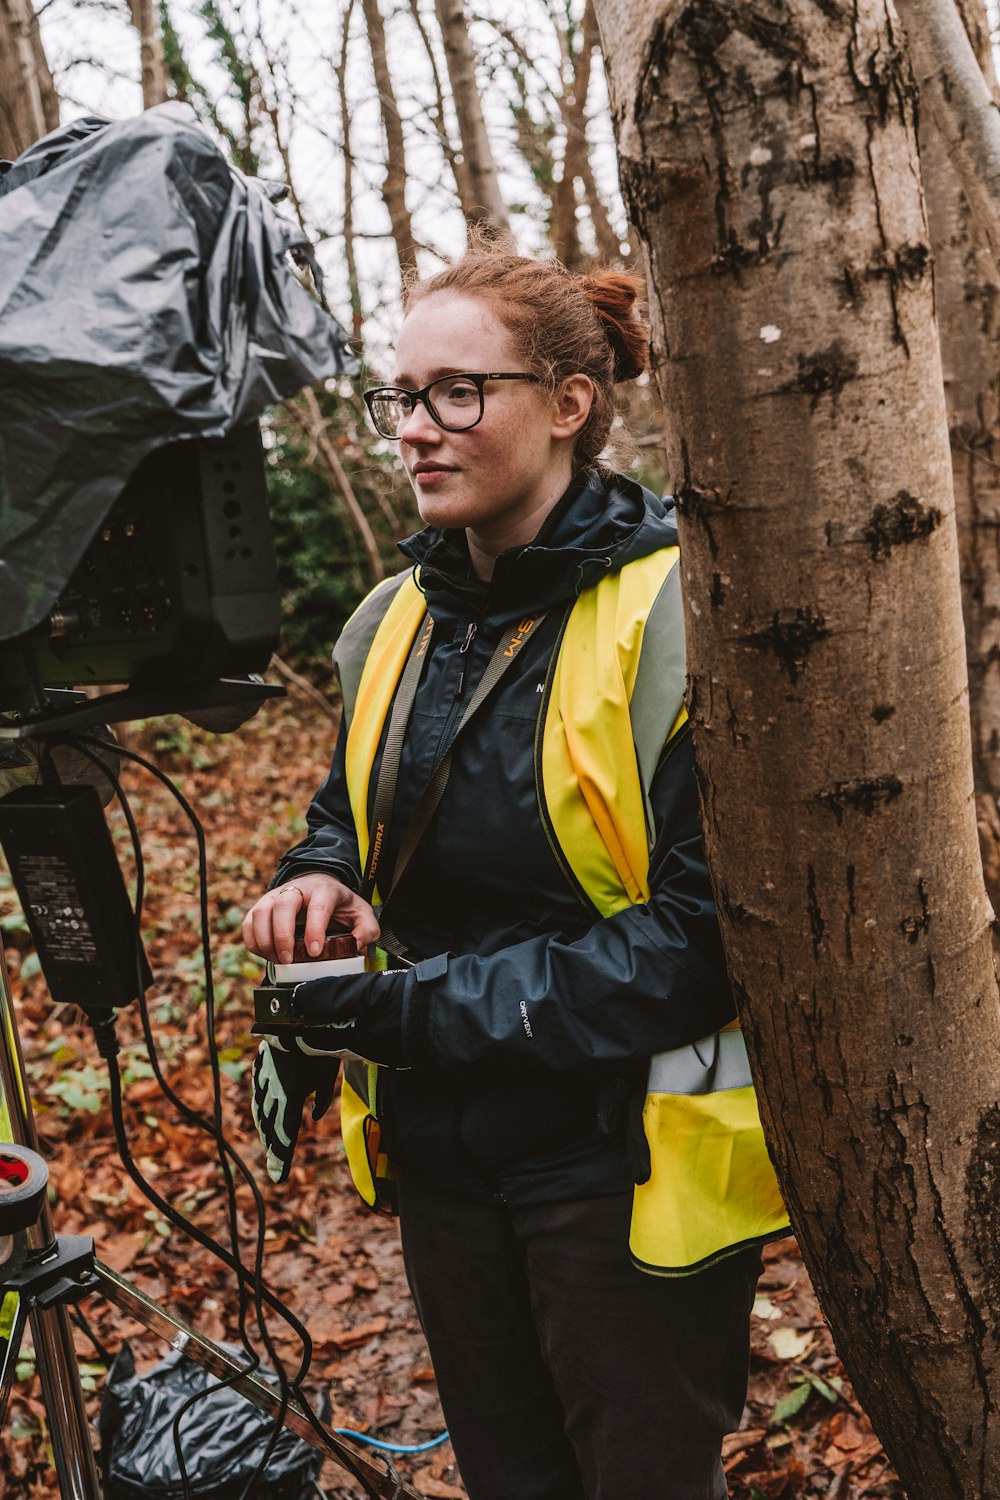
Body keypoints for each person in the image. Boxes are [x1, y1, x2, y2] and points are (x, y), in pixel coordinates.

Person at [243, 245, 789, 1500]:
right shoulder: (392, 619)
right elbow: (347, 813)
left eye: (456, 394)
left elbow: (701, 943)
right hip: (441, 1151)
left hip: (619, 1165)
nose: (415, 432)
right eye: (401, 398)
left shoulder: (680, 612)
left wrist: (411, 1011)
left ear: (567, 404)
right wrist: (316, 875)